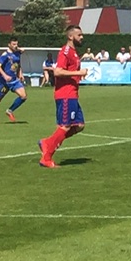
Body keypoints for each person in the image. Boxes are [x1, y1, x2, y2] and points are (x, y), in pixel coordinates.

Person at [39, 26, 89, 167]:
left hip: (72, 93)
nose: (82, 37)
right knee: (65, 126)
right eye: (79, 35)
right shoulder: (65, 51)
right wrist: (79, 73)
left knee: (79, 126)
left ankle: (47, 142)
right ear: (71, 36)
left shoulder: (73, 52)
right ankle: (46, 158)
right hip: (65, 94)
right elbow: (58, 72)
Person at [0, 39, 29, 124]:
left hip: (14, 80)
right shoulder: (5, 55)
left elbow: (18, 64)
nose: (15, 46)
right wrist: (5, 75)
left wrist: (20, 73)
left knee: (23, 96)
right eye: (13, 44)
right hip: (4, 82)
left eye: (16, 44)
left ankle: (10, 110)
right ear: (9, 45)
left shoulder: (17, 53)